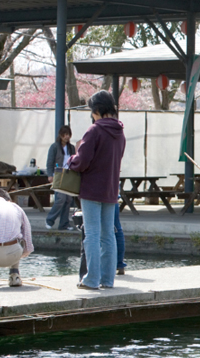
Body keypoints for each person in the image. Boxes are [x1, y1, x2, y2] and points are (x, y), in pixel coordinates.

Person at [67, 90, 125, 289]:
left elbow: (82, 161)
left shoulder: (94, 130)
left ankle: (91, 279)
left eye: (92, 111)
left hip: (91, 189)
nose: (92, 115)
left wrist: (71, 160)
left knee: (91, 234)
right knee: (108, 234)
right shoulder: (120, 132)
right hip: (110, 189)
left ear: (98, 110)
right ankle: (107, 280)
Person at [45, 125, 76, 231]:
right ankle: (50, 220)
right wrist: (50, 175)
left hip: (69, 175)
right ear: (61, 135)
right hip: (58, 174)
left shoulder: (71, 148)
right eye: (65, 135)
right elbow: (50, 162)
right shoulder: (54, 147)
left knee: (68, 199)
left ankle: (64, 224)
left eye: (68, 135)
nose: (67, 137)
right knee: (60, 199)